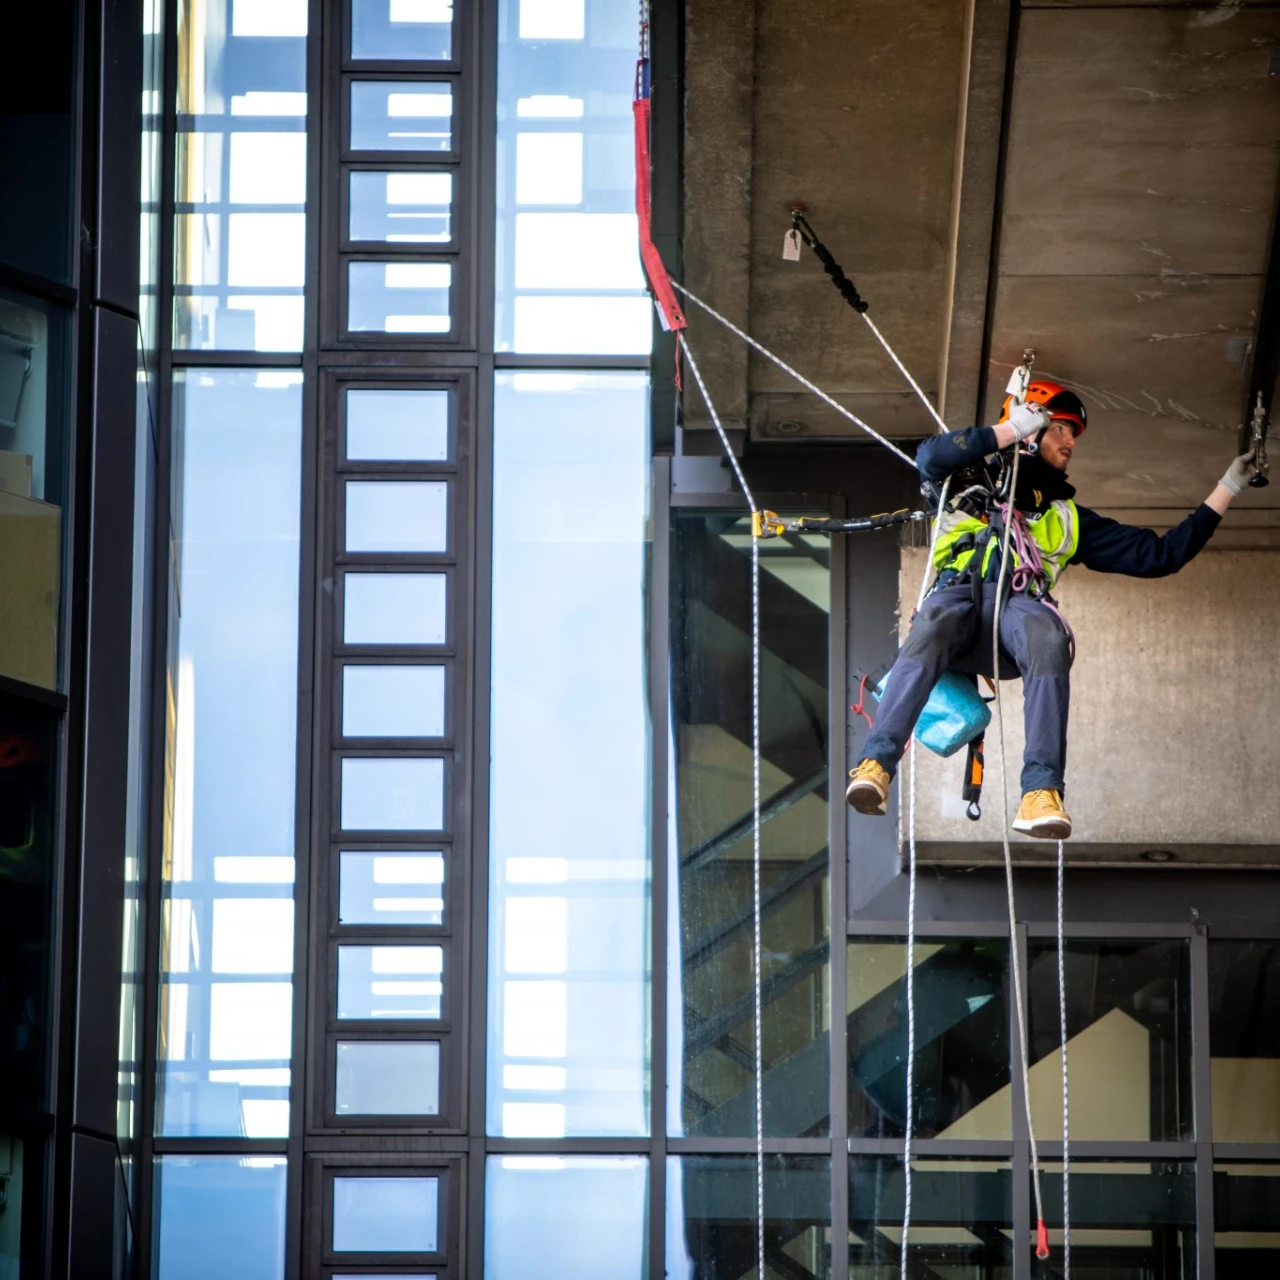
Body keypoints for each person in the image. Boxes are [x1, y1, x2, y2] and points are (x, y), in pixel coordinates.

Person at [845, 379, 1258, 839]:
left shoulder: (1068, 516)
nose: (1071, 441)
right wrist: (1009, 430)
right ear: (1031, 426)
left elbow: (1160, 556)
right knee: (933, 623)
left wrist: (1226, 488)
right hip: (956, 601)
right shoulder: (963, 479)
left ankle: (1041, 791)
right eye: (1061, 428)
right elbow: (930, 457)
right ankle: (875, 766)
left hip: (1017, 618)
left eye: (1073, 433)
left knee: (1049, 635)